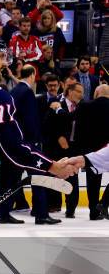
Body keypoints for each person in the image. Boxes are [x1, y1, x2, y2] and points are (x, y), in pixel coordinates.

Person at [9, 64, 63, 224]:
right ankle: (41, 214)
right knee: (39, 176)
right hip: (29, 143)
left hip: (16, 141)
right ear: (33, 74)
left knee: (11, 178)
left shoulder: (15, 90)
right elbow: (31, 120)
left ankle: (4, 212)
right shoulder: (27, 92)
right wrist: (36, 141)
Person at [47, 82, 84, 218]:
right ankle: (54, 205)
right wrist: (59, 137)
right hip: (57, 148)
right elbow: (48, 124)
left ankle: (71, 209)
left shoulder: (82, 106)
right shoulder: (56, 102)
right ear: (70, 91)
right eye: (79, 91)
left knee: (73, 178)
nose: (82, 95)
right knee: (56, 175)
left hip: (74, 148)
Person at [71, 84, 109, 219]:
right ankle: (104, 203)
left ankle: (94, 210)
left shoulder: (84, 106)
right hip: (107, 147)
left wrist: (78, 148)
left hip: (90, 150)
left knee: (93, 181)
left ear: (97, 93)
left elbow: (76, 128)